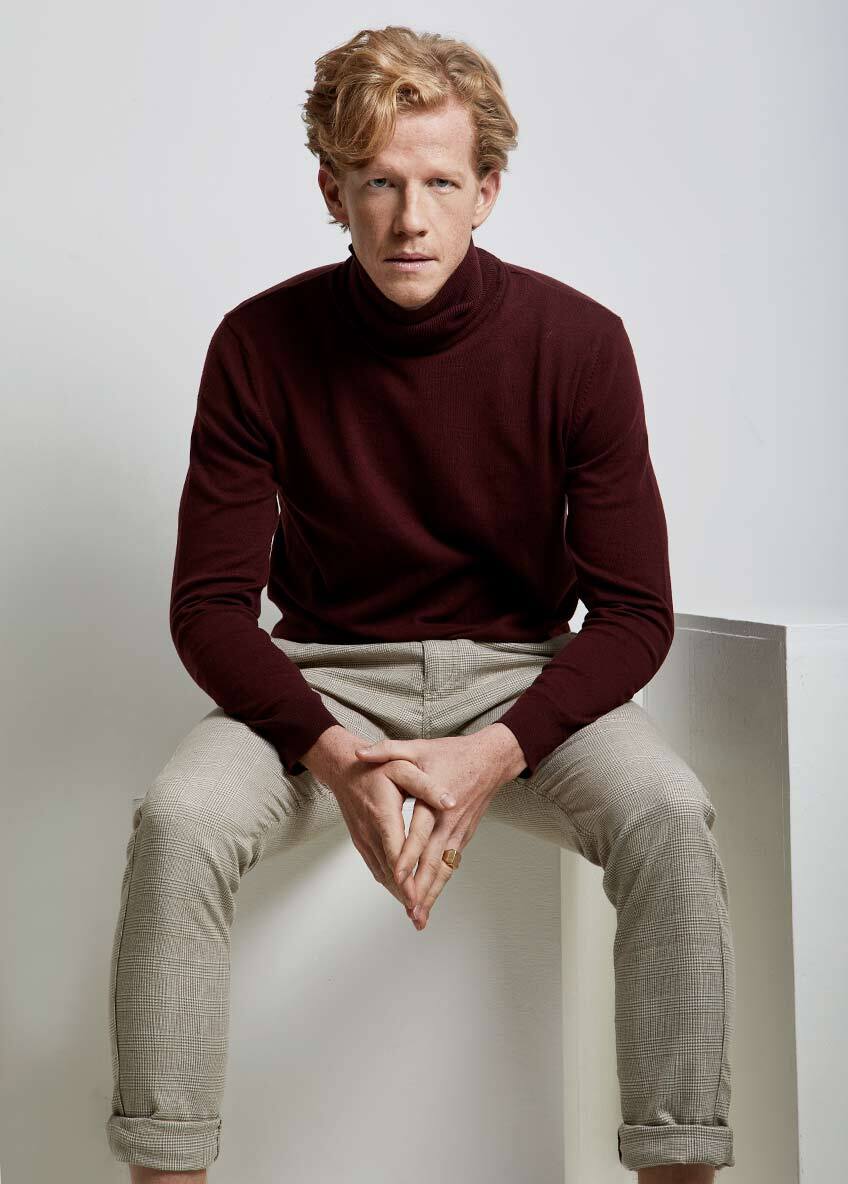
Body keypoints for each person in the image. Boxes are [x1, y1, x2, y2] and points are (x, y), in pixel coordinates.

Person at [105, 24, 735, 1183]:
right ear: (330, 192)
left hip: (522, 672)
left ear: (486, 190)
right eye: (379, 183)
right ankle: (166, 1168)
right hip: (321, 678)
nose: (410, 218)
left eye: (440, 183)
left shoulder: (578, 344)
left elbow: (635, 613)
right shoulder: (257, 344)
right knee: (179, 821)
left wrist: (497, 749)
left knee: (667, 812)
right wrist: (332, 753)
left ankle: (678, 1165)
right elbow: (208, 609)